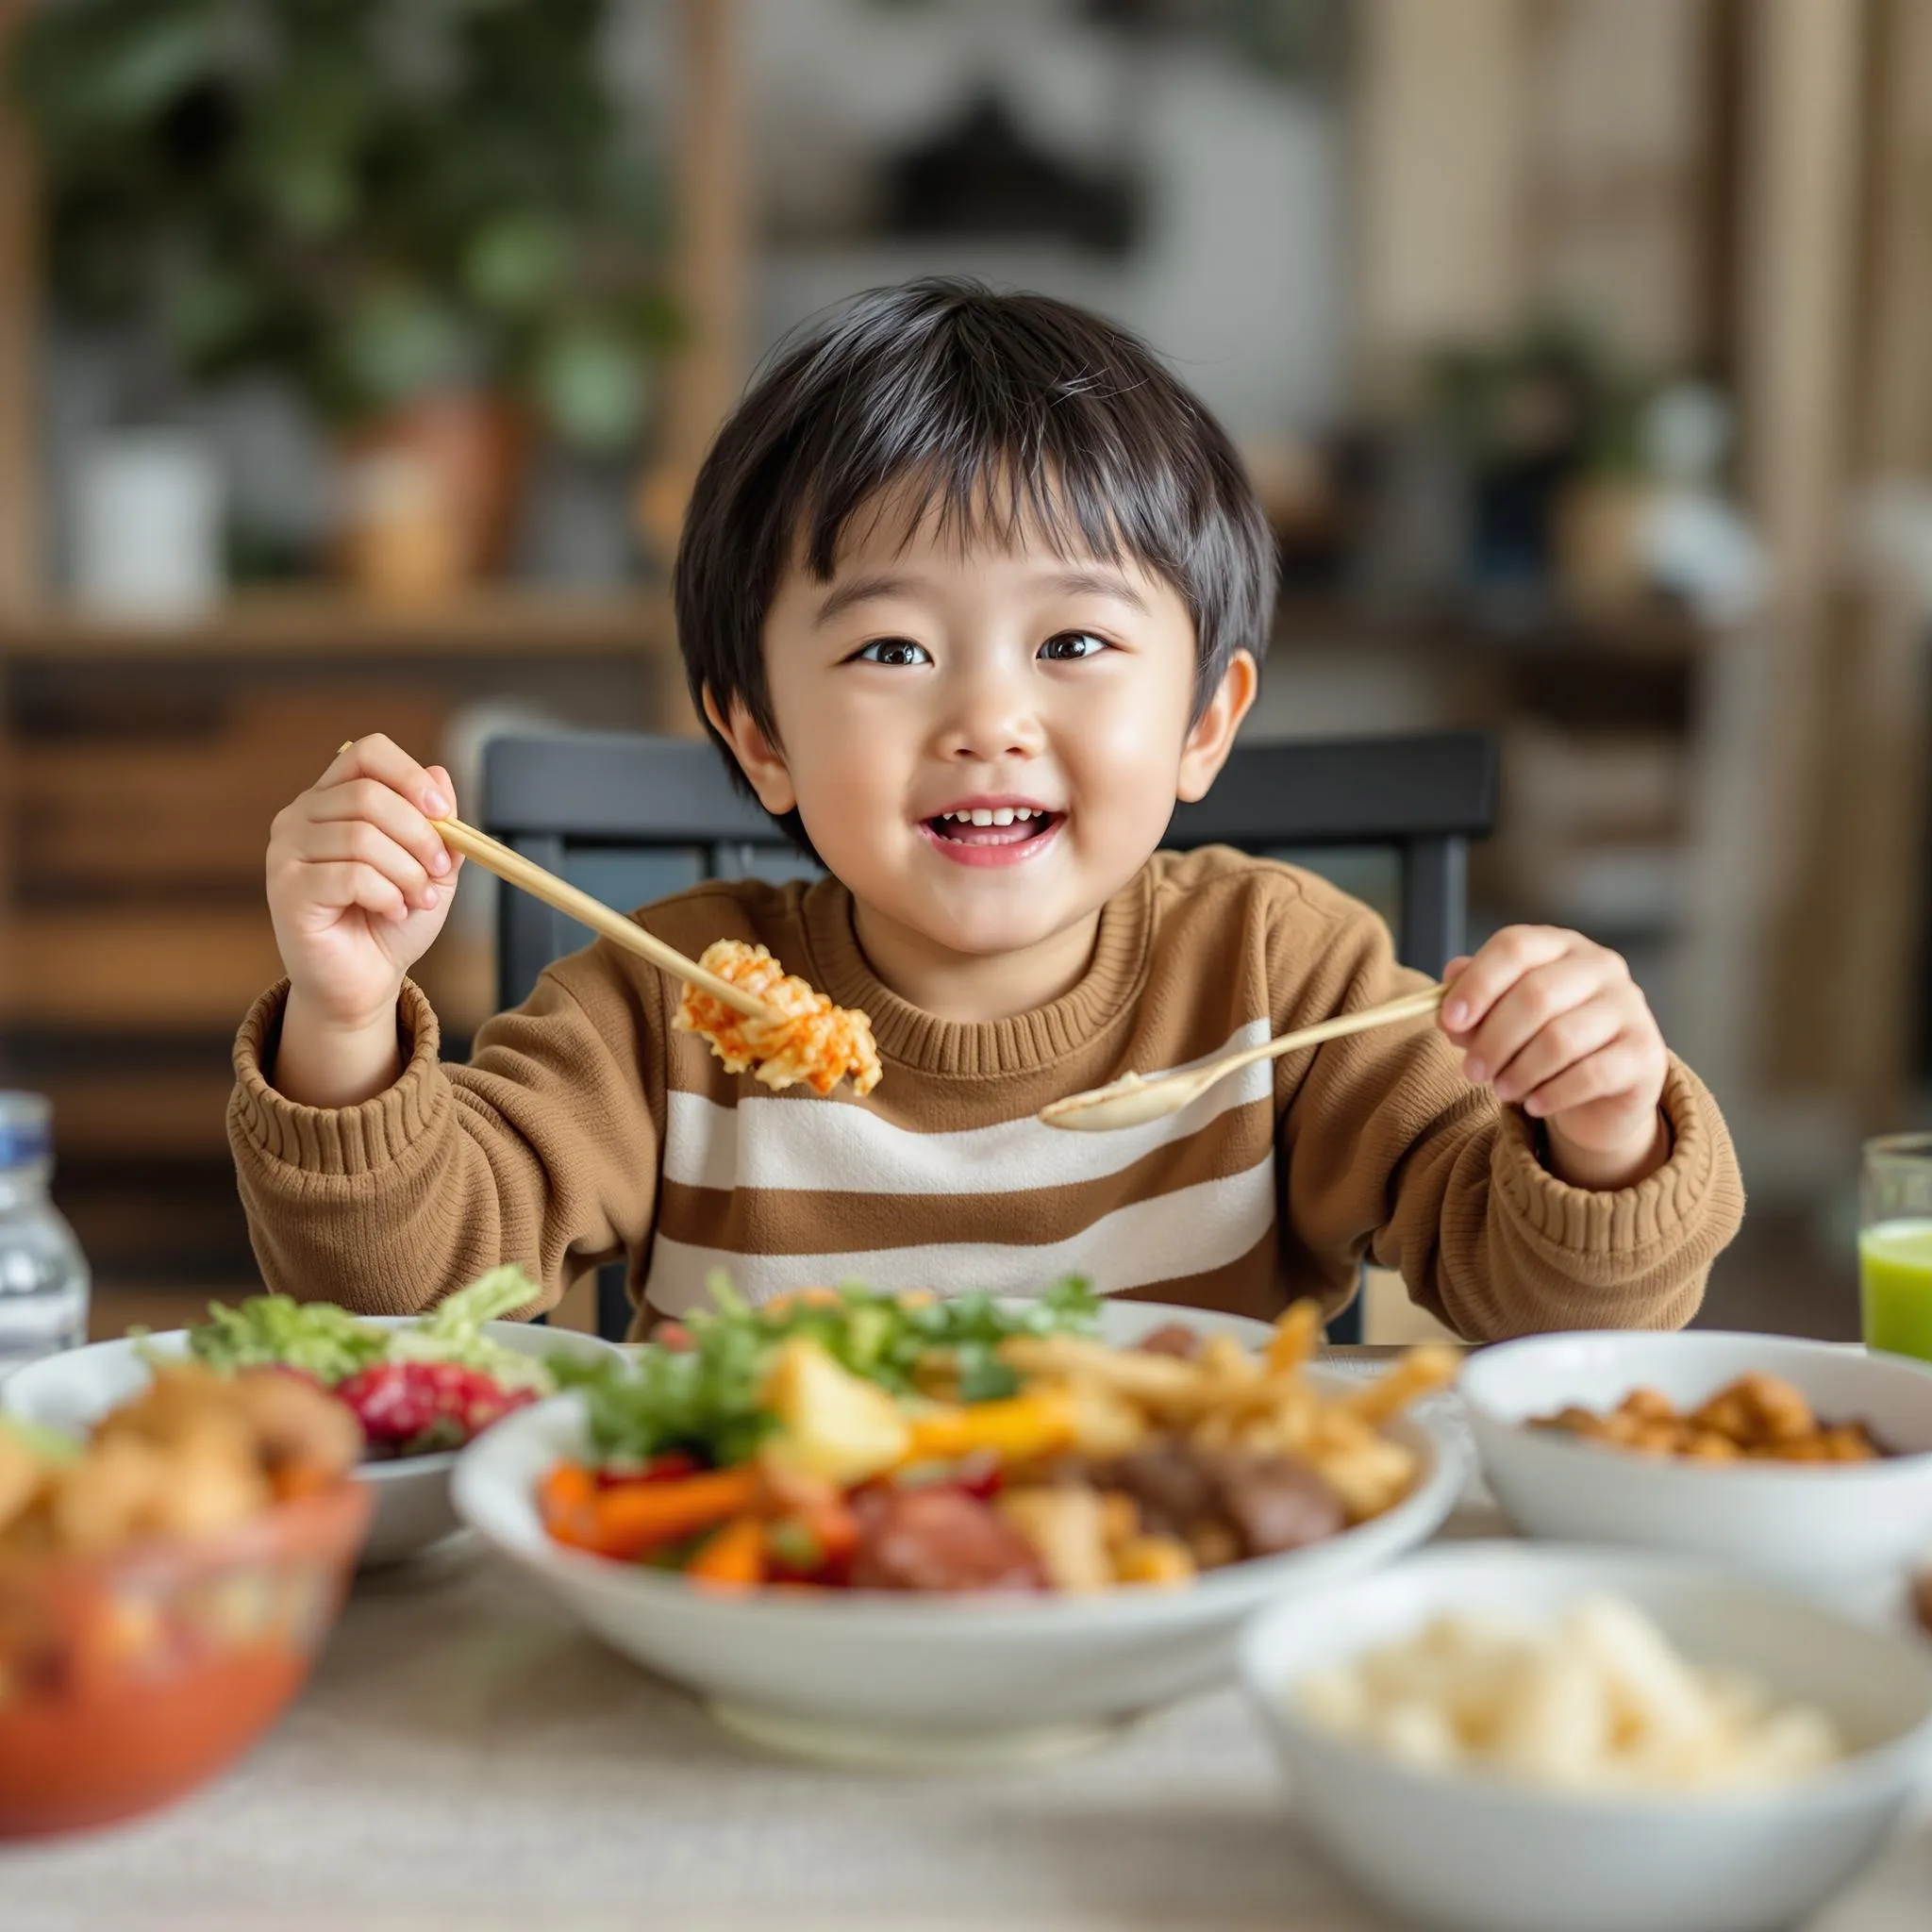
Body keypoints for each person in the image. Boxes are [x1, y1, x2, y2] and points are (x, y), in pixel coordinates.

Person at [232, 278, 1742, 1340]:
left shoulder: (1285, 981)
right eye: (892, 649)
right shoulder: (658, 1010)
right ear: (758, 736)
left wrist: (1601, 1131)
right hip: (765, 1613)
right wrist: (349, 1020)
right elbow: (404, 1304)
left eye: (1073, 644)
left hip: (1171, 1616)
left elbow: (1554, 1308)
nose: (988, 720)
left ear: (1206, 721)